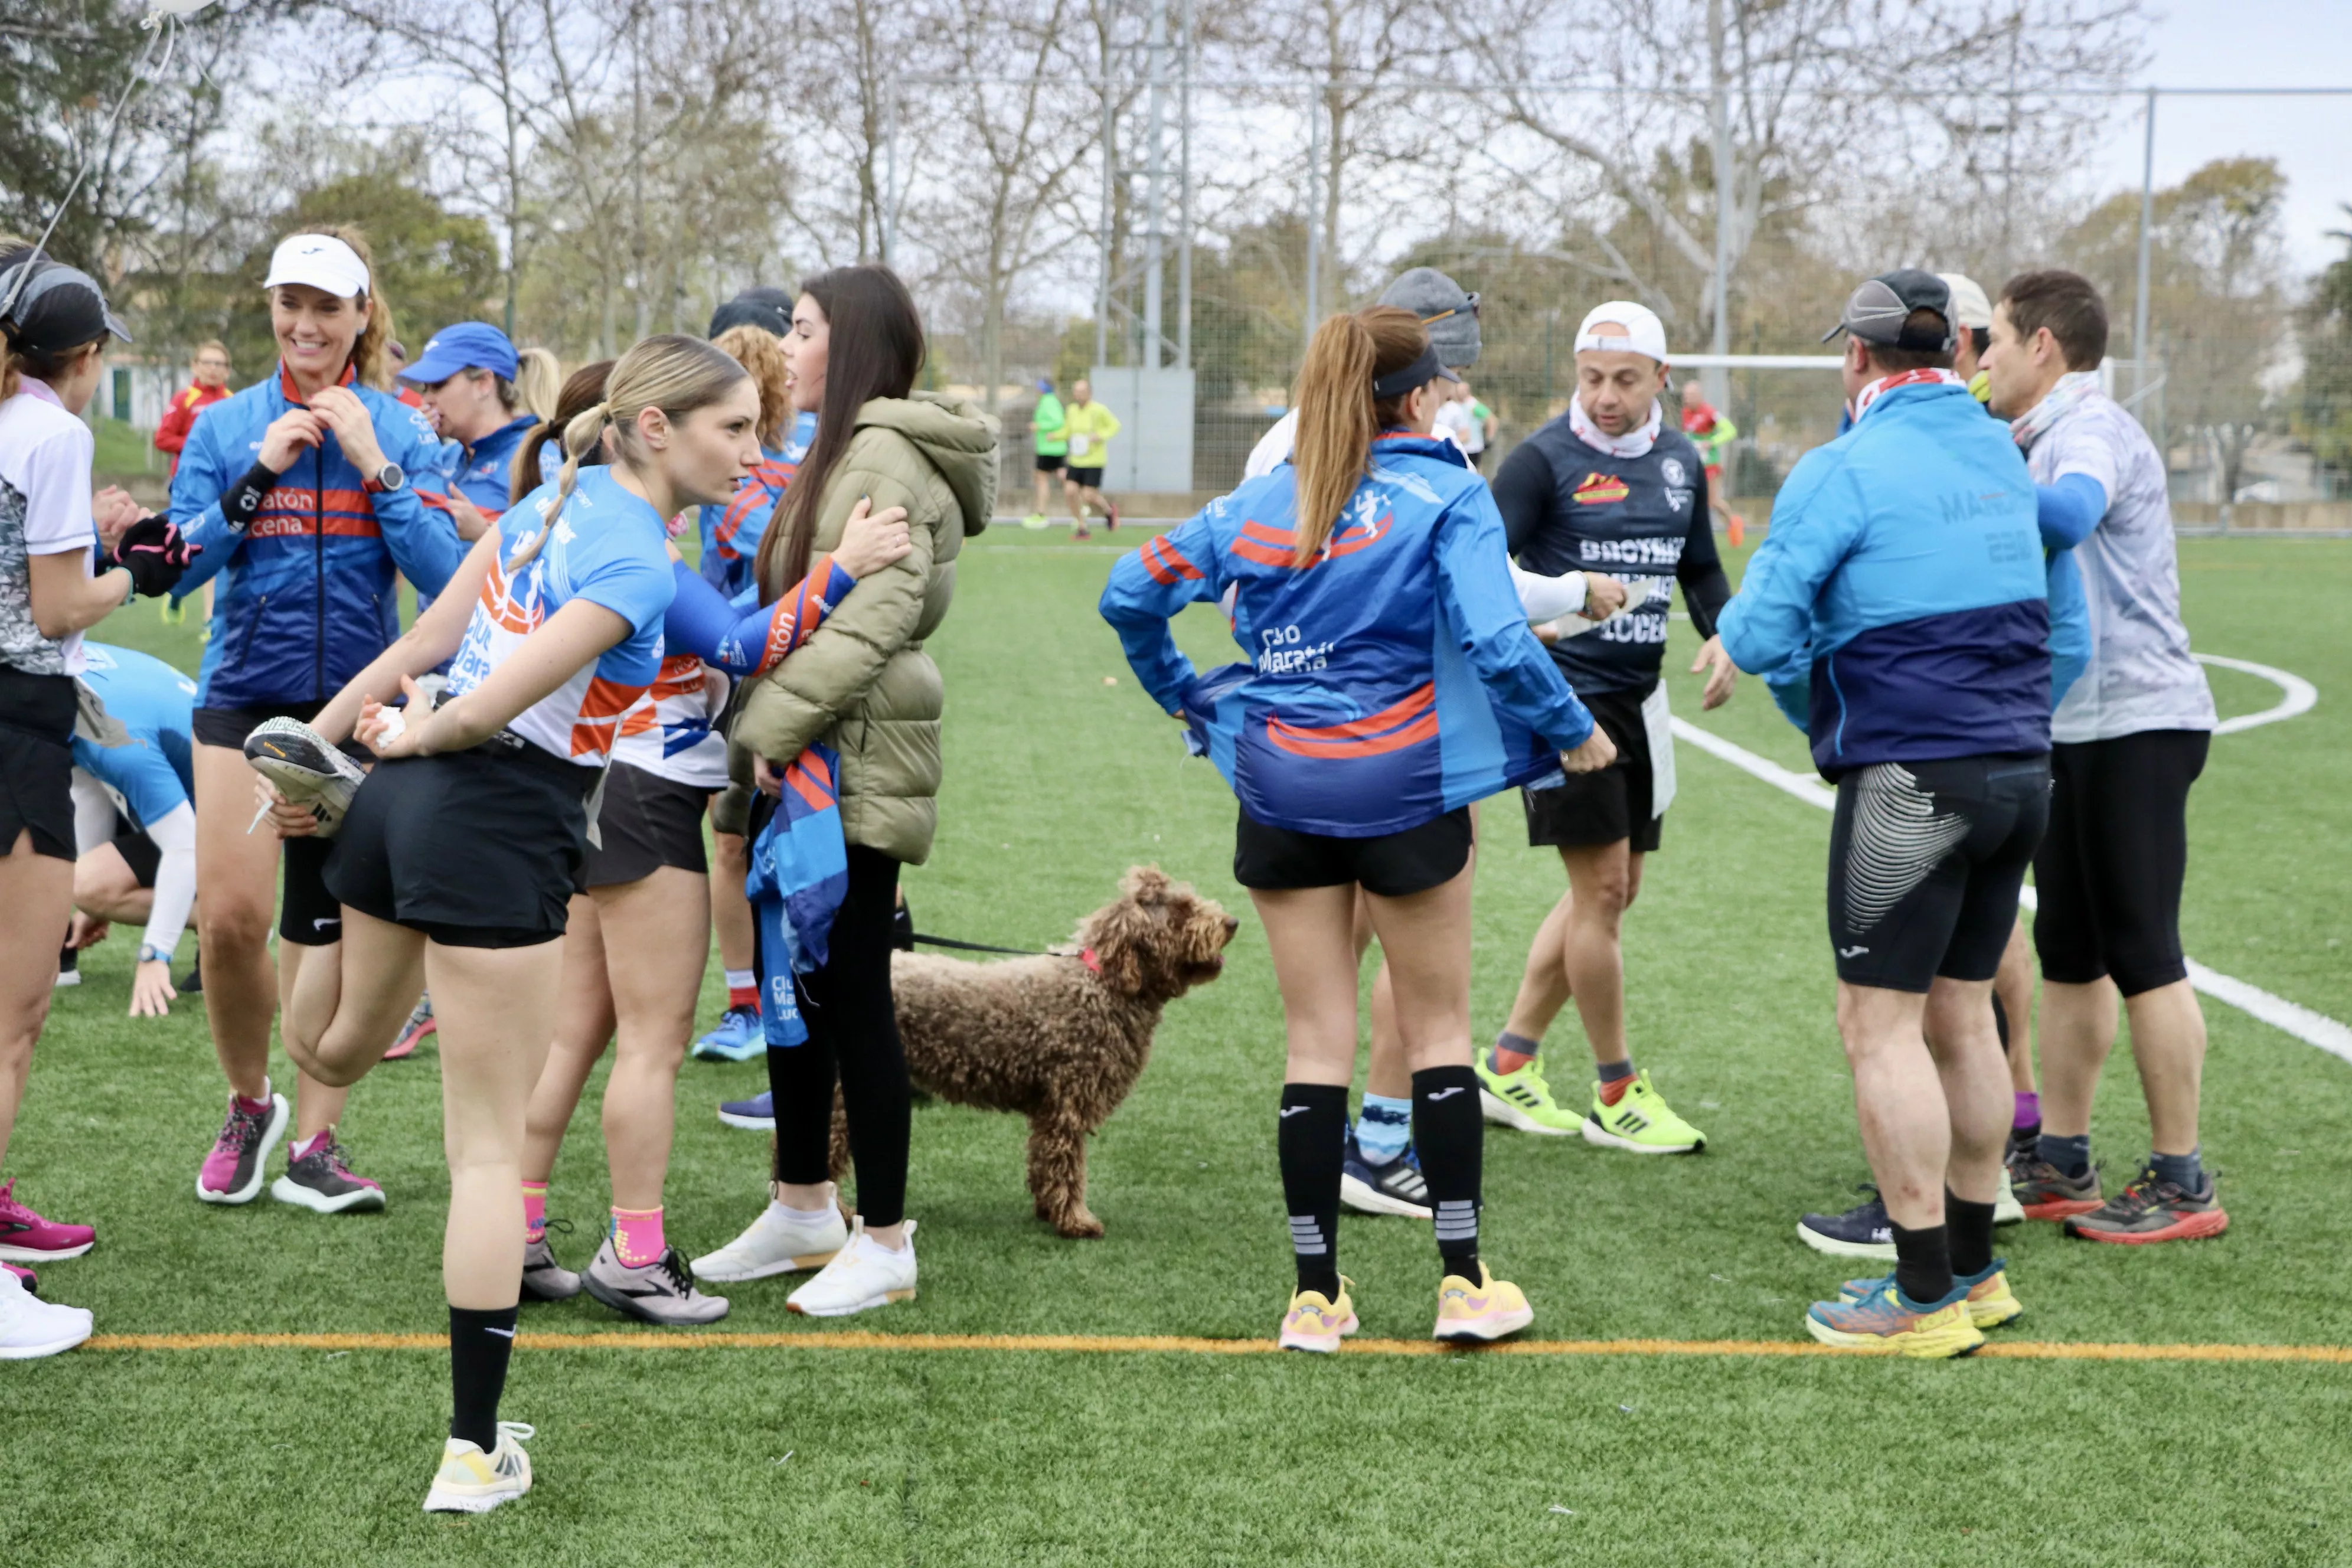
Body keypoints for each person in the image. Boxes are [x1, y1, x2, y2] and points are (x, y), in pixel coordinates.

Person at [247, 331, 758, 1511]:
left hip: (390, 807)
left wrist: (324, 756)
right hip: (489, 818)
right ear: (652, 429)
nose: (749, 447)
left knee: (328, 1049)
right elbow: (476, 708)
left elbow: (428, 643)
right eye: (730, 427)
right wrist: (404, 736)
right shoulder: (634, 558)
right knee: (486, 1151)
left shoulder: (543, 499)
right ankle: (474, 1453)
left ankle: (304, 857)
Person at [1100, 303, 1616, 1349]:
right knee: (1436, 1035)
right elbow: (1495, 634)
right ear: (1419, 396)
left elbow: (1127, 595)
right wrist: (1573, 731)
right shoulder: (1445, 491)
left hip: (1281, 795)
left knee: (1312, 1043)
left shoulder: (1253, 503)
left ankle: (1312, 1297)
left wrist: (1187, 700)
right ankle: (1462, 1283)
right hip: (1408, 792)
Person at [1718, 269, 2052, 1357]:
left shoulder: (1841, 465)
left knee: (1878, 1026)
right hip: (2019, 770)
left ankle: (1917, 1298)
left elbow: (1759, 633)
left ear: (1854, 358)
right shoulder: (1996, 450)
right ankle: (1970, 1268)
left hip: (1912, 777)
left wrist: (1768, 636)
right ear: (1953, 353)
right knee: (1962, 1015)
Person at [690, 264, 994, 1318]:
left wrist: (767, 728)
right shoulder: (838, 449)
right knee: (800, 990)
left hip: (854, 758)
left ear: (850, 343)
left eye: (805, 328)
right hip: (815, 755)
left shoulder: (884, 456)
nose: (787, 343)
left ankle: (887, 1236)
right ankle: (802, 1205)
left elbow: (874, 617)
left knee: (855, 983)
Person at [164, 229, 465, 1214]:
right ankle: (250, 1104)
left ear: (360, 316)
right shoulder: (222, 426)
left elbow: (440, 579)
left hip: (364, 711)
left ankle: (316, 1141)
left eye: (327, 307)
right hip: (245, 696)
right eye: (290, 304)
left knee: (331, 933)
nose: (305, 325)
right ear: (271, 310)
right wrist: (257, 475)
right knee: (231, 923)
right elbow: (177, 570)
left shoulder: (399, 427)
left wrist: (376, 464)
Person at [1981, 268, 2224, 1245]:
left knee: (2140, 950)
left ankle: (2180, 1179)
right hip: (2067, 723)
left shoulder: (2086, 430)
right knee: (2067, 952)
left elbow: (2066, 517)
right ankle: (2062, 1159)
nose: (1981, 358)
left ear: (2042, 345)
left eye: (1993, 339)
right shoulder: (2028, 435)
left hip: (2139, 721)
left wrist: (1972, 486)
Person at [1475, 302, 1734, 1154]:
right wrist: (1546, 625)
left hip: (1642, 704)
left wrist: (1726, 634)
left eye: (1625, 379)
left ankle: (1509, 1062)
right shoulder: (1543, 462)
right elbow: (1483, 571)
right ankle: (1617, 1091)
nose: (1607, 395)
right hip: (1566, 701)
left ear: (1662, 378)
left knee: (1614, 893)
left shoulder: (1679, 460)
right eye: (1592, 378)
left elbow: (1698, 566)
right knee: (1602, 897)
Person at [0, 253, 194, 1353]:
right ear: (84, 358)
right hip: (16, 720)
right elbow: (62, 600)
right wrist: (132, 566)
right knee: (13, 1015)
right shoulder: (53, 432)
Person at [688, 306, 819, 1064]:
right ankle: (759, 1005)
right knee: (749, 838)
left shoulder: (787, 465)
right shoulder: (751, 466)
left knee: (745, 839)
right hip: (754, 670)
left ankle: (769, 1004)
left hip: (755, 671)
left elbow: (775, 558)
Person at [65, 643, 202, 1020]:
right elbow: (86, 786)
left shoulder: (115, 737)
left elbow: (185, 844)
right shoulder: (69, 670)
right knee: (89, 883)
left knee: (88, 882)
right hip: (213, 798)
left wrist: (154, 954)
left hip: (231, 825)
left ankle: (228, 920)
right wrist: (94, 896)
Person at [1676, 378, 1745, 544]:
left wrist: (1711, 442)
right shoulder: (1685, 412)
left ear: (1699, 396)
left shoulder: (1709, 412)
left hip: (1710, 465)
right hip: (1693, 463)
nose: (1687, 399)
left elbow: (1730, 431)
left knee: (1712, 502)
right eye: (1685, 395)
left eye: (1691, 395)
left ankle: (1733, 523)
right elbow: (1689, 434)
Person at [153, 341, 232, 476]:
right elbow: (163, 439)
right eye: (207, 363)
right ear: (195, 367)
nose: (213, 368)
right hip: (188, 478)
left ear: (227, 371)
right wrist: (197, 445)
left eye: (219, 364)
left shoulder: (234, 401)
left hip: (224, 478)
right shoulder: (183, 399)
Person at [1059, 378, 1121, 537]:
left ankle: (1108, 511)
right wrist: (1054, 436)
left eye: (1082, 392)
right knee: (1070, 491)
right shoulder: (1072, 410)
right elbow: (1067, 431)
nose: (1078, 395)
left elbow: (1115, 426)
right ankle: (1081, 526)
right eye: (1076, 392)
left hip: (1094, 460)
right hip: (1076, 460)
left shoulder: (1099, 410)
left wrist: (1100, 436)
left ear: (1089, 393)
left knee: (1088, 496)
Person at [1025, 377, 1066, 528]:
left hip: (1050, 448)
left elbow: (1058, 422)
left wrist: (1039, 426)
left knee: (1042, 478)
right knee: (1062, 477)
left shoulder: (1049, 402)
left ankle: (1041, 513)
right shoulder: (1048, 401)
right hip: (1050, 448)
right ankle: (1080, 507)